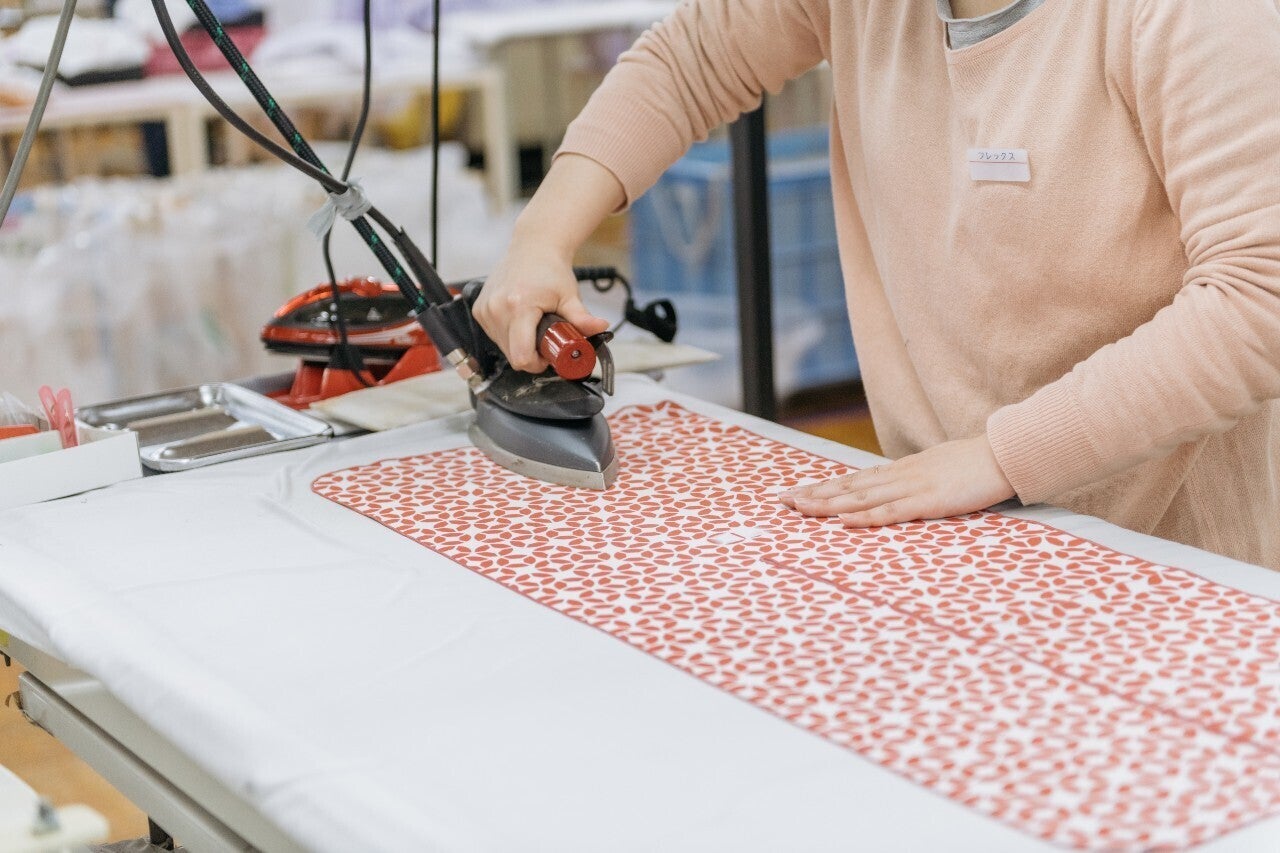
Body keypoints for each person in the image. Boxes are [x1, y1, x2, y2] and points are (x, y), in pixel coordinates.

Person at [473, 0, 1280, 571]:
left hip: (1170, 560)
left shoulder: (1191, 15)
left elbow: (1259, 298)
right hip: (943, 531)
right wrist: (542, 238)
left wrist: (1003, 457)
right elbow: (691, 61)